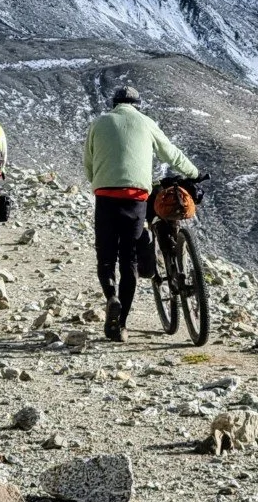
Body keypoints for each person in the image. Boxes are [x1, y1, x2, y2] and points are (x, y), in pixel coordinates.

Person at [83, 86, 198, 341]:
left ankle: (111, 296)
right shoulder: (145, 122)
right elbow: (171, 153)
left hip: (105, 196)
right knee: (129, 260)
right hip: (136, 198)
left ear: (114, 104)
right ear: (137, 105)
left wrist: (98, 184)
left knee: (105, 256)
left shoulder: (99, 122)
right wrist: (193, 173)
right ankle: (121, 323)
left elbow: (88, 162)